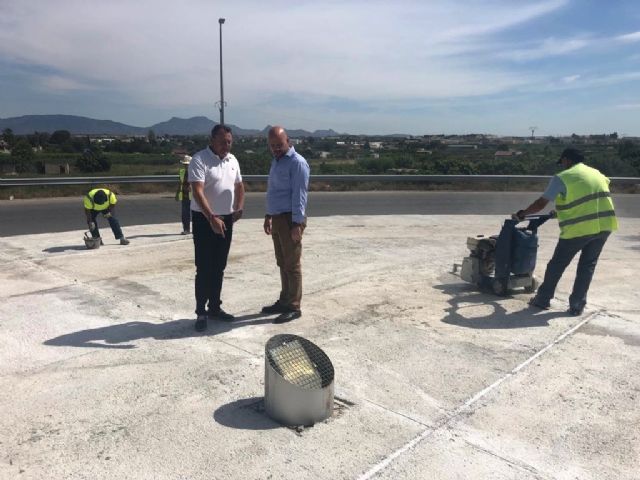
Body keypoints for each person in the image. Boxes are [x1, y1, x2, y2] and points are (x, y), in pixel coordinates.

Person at [513, 147, 618, 315]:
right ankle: (577, 306)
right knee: (587, 266)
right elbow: (589, 198)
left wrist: (522, 214)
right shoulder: (597, 173)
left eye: (562, 162)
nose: (562, 165)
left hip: (579, 230)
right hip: (604, 226)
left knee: (556, 265)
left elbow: (541, 204)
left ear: (567, 160)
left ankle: (542, 300)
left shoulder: (563, 177)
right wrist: (559, 212)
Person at [188, 124, 245, 332]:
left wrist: (239, 207)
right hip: (205, 220)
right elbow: (197, 191)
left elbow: (239, 185)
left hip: (226, 220)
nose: (226, 146)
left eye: (229, 142)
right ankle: (201, 312)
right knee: (204, 268)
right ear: (212, 140)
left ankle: (214, 307)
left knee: (219, 267)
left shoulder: (233, 160)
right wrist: (211, 217)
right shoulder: (199, 159)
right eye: (222, 142)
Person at [262, 126, 310, 323]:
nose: (276, 149)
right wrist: (268, 215)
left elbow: (300, 195)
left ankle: (294, 306)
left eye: (279, 145)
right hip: (277, 217)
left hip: (291, 219)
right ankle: (284, 300)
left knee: (292, 264)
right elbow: (273, 191)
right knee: (282, 262)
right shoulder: (277, 162)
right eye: (272, 146)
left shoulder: (297, 163)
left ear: (288, 141)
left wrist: (297, 224)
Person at [176, 155, 192, 234]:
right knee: (185, 214)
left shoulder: (195, 171)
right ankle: (186, 229)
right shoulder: (182, 171)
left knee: (195, 214)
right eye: (185, 164)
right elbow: (180, 183)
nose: (186, 166)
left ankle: (197, 229)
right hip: (184, 195)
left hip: (193, 196)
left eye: (187, 164)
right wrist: (177, 194)